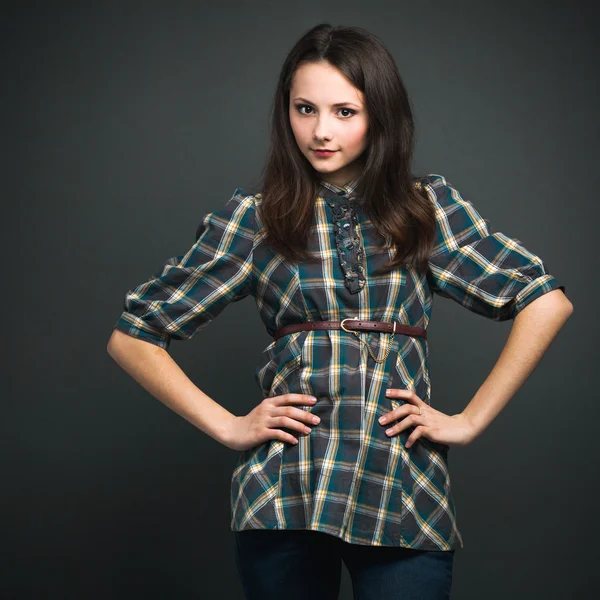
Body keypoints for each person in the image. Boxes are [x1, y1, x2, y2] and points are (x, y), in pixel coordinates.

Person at [107, 23, 573, 600]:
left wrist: (470, 420)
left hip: (401, 487)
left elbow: (544, 299)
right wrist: (230, 426)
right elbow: (135, 334)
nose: (321, 131)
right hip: (286, 492)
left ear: (380, 115)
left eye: (345, 112)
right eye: (305, 109)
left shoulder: (425, 209)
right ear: (286, 113)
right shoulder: (256, 218)